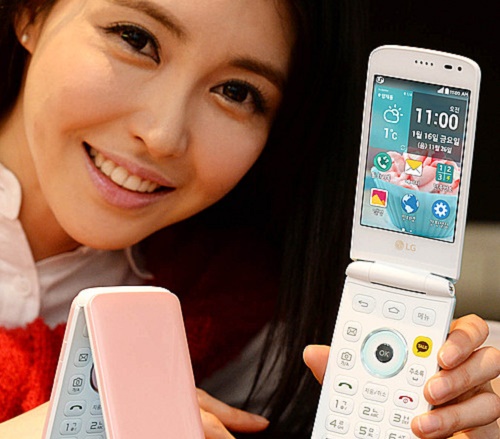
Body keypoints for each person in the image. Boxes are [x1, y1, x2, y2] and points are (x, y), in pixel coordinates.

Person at [0, 0, 498, 438]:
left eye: (236, 92)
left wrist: (462, 414)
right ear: (29, 12)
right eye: (136, 39)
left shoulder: (247, 327)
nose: (163, 135)